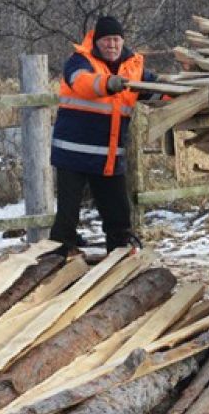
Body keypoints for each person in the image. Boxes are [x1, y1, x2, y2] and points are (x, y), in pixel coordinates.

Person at [49, 15, 156, 255]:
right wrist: (109, 83)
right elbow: (83, 83)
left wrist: (186, 91)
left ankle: (118, 259)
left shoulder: (133, 68)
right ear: (96, 42)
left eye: (116, 40)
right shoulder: (79, 62)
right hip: (72, 154)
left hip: (108, 156)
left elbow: (156, 91)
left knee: (118, 215)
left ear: (123, 41)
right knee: (67, 217)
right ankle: (57, 261)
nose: (112, 45)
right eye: (107, 40)